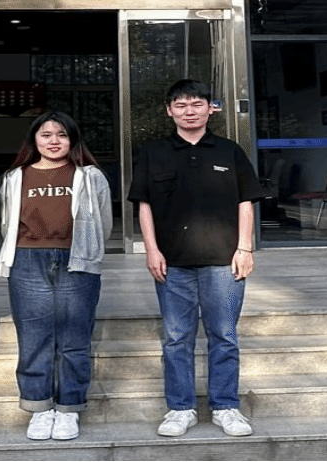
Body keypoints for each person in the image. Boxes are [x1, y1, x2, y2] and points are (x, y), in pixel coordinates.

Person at [127, 79, 264, 438]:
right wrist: (151, 249)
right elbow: (144, 205)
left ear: (210, 108)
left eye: (196, 104)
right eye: (181, 105)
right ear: (169, 110)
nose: (189, 112)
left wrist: (245, 248)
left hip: (224, 260)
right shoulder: (153, 152)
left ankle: (225, 406)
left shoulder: (229, 151)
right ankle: (180, 408)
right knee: (176, 338)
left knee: (224, 335)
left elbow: (245, 202)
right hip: (172, 263)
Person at [0, 111, 113, 441]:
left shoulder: (90, 176)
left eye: (62, 135)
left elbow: (103, 224)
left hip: (76, 260)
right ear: (34, 140)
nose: (53, 141)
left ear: (72, 140)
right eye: (46, 135)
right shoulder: (15, 176)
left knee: (75, 339)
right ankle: (39, 407)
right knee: (34, 337)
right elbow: (6, 222)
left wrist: (88, 252)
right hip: (27, 260)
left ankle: (68, 408)